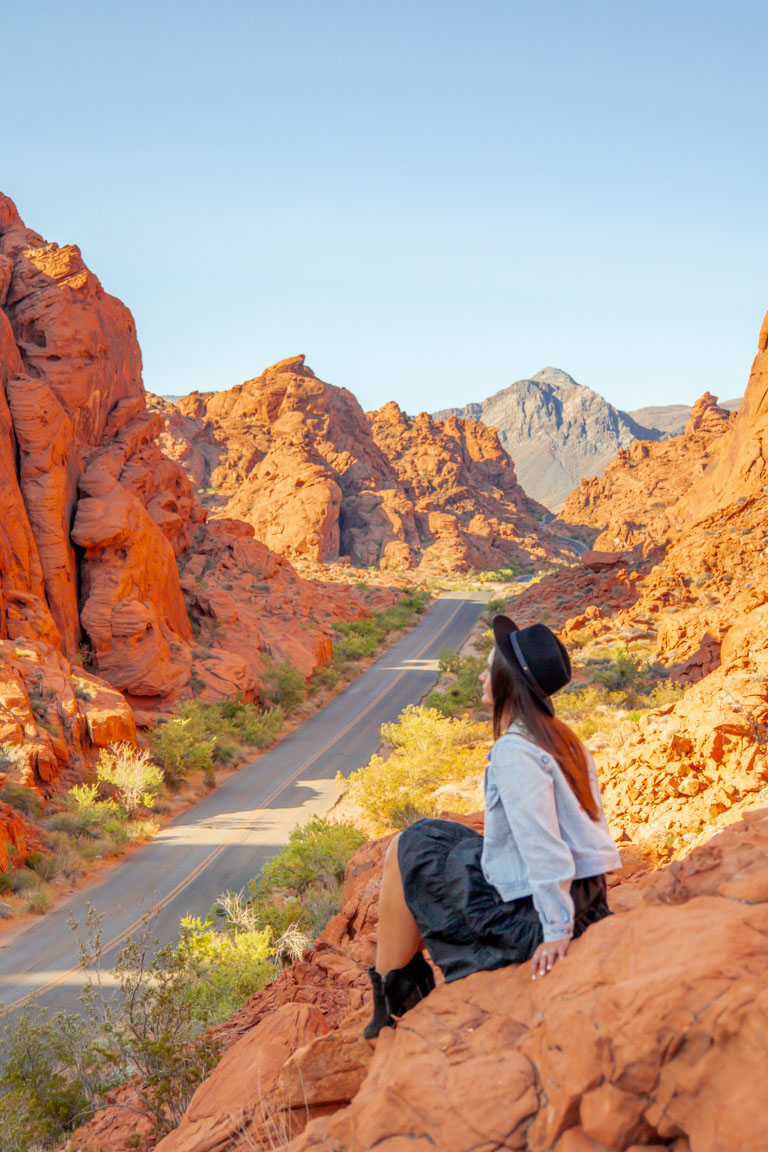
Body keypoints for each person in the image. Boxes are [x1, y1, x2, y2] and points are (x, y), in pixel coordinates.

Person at [363, 614, 621, 1039]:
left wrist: (556, 931)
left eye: (489, 668)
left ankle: (392, 1003)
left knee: (412, 848)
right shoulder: (563, 738)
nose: (482, 675)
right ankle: (396, 991)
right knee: (423, 836)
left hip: (536, 916)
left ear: (508, 681)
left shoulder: (515, 750)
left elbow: (543, 843)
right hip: (587, 899)